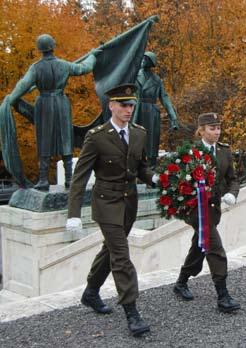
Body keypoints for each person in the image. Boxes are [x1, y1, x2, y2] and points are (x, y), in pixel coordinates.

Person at [65, 83, 158, 337]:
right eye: (124, 105)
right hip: (106, 203)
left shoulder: (139, 133)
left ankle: (91, 292)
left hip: (129, 202)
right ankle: (132, 311)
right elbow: (80, 177)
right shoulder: (96, 136)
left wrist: (155, 178)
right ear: (111, 106)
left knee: (110, 249)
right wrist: (73, 213)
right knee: (120, 253)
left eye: (131, 105)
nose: (129, 109)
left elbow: (140, 168)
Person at [5, 34, 99, 190]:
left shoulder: (36, 68)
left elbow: (22, 85)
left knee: (44, 140)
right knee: (65, 139)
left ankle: (43, 180)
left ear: (40, 49)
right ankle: (69, 179)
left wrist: (12, 98)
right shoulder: (64, 65)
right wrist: (93, 56)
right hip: (61, 103)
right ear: (52, 47)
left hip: (44, 105)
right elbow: (84, 68)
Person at [173, 112, 241, 313]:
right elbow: (180, 183)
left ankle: (181, 282)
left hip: (214, 209)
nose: (217, 132)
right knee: (214, 248)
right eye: (212, 128)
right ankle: (223, 296)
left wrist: (232, 194)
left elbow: (233, 178)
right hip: (196, 210)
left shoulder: (224, 151)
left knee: (199, 245)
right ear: (201, 130)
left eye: (219, 128)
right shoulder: (190, 152)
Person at [133, 51, 179, 168]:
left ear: (151, 63)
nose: (143, 61)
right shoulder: (134, 75)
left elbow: (164, 98)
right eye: (143, 58)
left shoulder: (156, 80)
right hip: (136, 111)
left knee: (151, 141)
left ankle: (150, 167)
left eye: (146, 59)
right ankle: (135, 167)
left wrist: (172, 116)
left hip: (151, 112)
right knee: (135, 138)